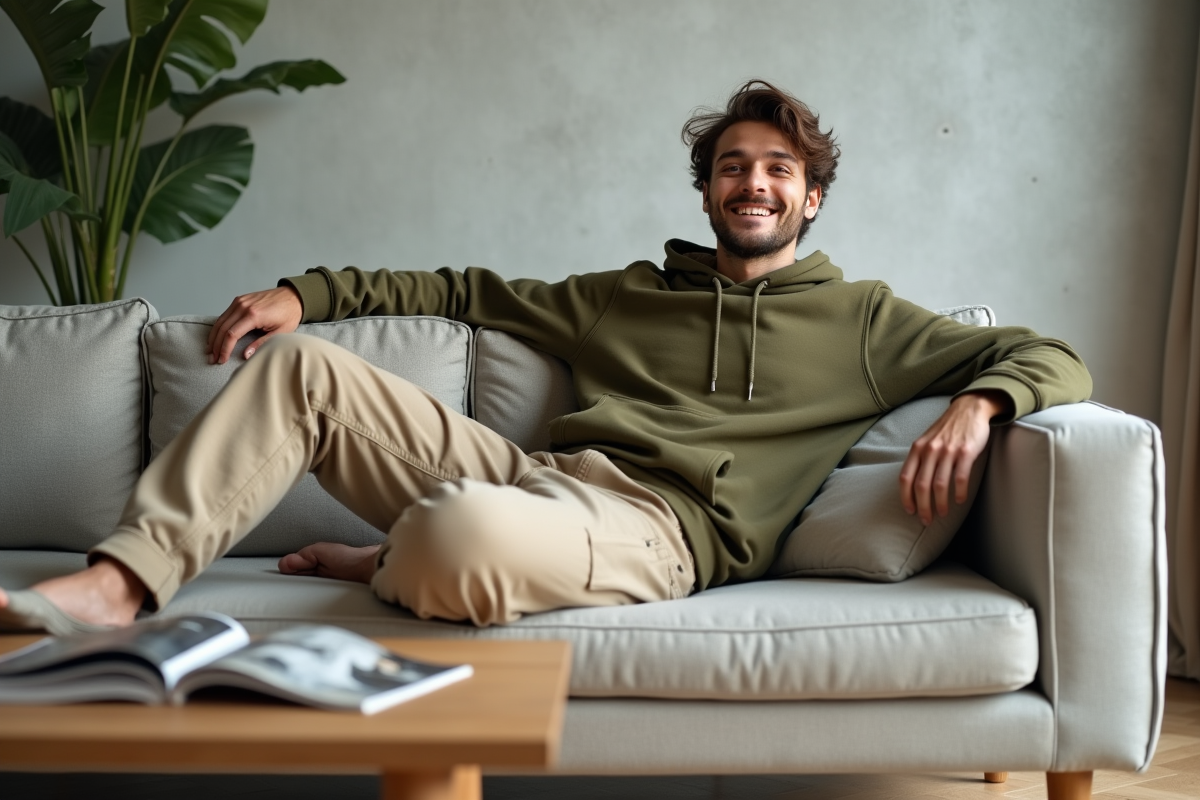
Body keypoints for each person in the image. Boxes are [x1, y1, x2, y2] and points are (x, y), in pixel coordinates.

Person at [0, 79, 1091, 633]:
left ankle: (389, 557)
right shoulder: (625, 294)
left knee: (454, 540)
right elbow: (463, 291)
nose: (751, 183)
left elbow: (1049, 351)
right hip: (536, 480)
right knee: (299, 372)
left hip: (662, 530)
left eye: (776, 169)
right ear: (706, 189)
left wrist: (981, 402)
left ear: (811, 196)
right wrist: (307, 293)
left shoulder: (863, 322)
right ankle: (121, 581)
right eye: (729, 166)